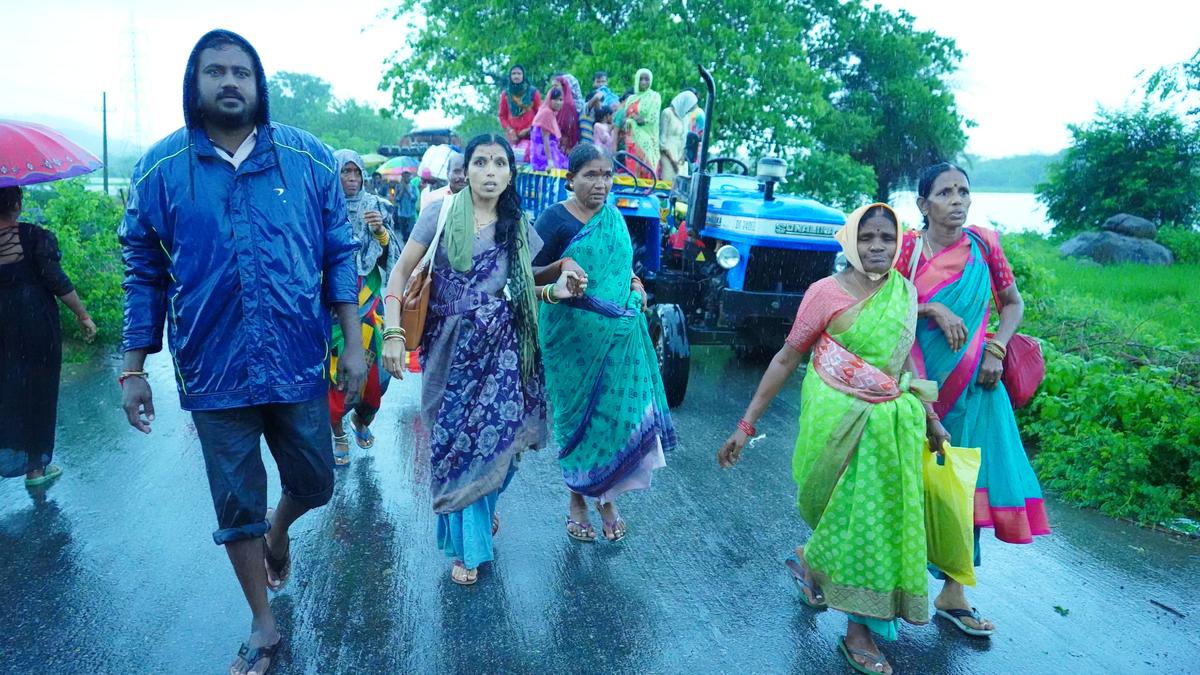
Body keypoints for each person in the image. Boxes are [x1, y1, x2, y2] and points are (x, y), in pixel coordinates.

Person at [118, 30, 365, 675]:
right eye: (215, 72)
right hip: (212, 365)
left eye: (241, 72)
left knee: (315, 480)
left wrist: (355, 342)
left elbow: (341, 251)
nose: (230, 82)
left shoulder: (308, 161)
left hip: (297, 359)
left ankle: (278, 534)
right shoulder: (160, 169)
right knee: (235, 503)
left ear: (259, 84)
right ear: (194, 84)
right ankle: (263, 623)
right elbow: (141, 268)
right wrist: (132, 364)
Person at [718, 203, 940, 675]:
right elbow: (786, 357)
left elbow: (903, 367)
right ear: (849, 242)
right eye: (866, 238)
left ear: (898, 242)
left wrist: (933, 420)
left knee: (870, 522)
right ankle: (813, 563)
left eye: (885, 237)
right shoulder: (825, 293)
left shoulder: (904, 292)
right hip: (834, 421)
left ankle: (858, 627)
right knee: (841, 512)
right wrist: (745, 425)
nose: (877, 246)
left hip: (890, 428)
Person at [380, 133, 584, 585]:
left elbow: (523, 287)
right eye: (481, 163)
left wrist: (556, 287)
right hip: (447, 353)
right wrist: (393, 331)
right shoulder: (440, 212)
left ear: (511, 173)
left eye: (499, 163)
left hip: (502, 352)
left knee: (502, 449)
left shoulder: (517, 226)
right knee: (456, 449)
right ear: (466, 170)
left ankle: (476, 532)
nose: (490, 171)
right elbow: (400, 271)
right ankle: (470, 534)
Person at [896, 162, 1051, 638]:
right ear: (924, 204)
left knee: (965, 485)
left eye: (964, 191)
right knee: (895, 479)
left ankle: (954, 591)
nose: (958, 200)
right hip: (913, 382)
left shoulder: (986, 245)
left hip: (975, 387)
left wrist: (997, 348)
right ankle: (854, 573)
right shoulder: (906, 248)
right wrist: (931, 307)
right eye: (946, 192)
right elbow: (881, 302)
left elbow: (1013, 303)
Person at [533, 144, 675, 542]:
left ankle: (607, 498)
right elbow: (527, 274)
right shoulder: (554, 219)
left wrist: (634, 282)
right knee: (577, 418)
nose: (600, 183)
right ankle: (577, 497)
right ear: (570, 180)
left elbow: (622, 262)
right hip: (570, 339)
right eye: (590, 176)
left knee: (612, 418)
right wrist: (561, 266)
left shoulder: (613, 216)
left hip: (617, 335)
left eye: (606, 175)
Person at [0, 186, 97, 490]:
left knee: (6, 390)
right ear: (16, 203)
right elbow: (57, 281)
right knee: (38, 391)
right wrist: (83, 315)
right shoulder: (33, 237)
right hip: (35, 325)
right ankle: (35, 469)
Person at [329, 149, 401, 466]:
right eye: (345, 172)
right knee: (333, 379)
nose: (352, 178)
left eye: (356, 172)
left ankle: (361, 420)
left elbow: (391, 260)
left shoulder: (375, 207)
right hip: (333, 307)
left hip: (369, 306)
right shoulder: (323, 210)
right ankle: (338, 434)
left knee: (376, 382)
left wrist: (380, 232)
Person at [619, 69, 661, 180]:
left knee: (646, 171)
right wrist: (632, 119)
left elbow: (650, 119)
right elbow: (624, 119)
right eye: (641, 79)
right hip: (630, 140)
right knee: (632, 172)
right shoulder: (631, 99)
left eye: (646, 79)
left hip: (647, 140)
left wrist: (633, 119)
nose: (643, 82)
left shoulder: (654, 97)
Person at [498, 64, 541, 163]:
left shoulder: (533, 92)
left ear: (523, 76)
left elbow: (540, 116)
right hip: (513, 138)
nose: (516, 76)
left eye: (519, 73)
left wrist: (528, 130)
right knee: (512, 161)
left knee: (527, 159)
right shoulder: (506, 94)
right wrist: (510, 130)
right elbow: (502, 116)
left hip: (531, 137)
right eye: (513, 74)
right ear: (510, 76)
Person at [530, 87, 569, 171]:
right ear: (549, 100)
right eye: (555, 100)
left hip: (542, 153)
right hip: (543, 155)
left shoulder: (549, 112)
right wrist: (550, 161)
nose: (559, 103)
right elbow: (545, 139)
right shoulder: (547, 113)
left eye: (561, 100)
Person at [579, 71, 615, 146]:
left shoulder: (595, 113)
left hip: (592, 145)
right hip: (585, 145)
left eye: (603, 81)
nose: (601, 84)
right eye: (598, 82)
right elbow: (597, 97)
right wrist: (602, 91)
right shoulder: (586, 109)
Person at [659, 93, 689, 183]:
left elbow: (684, 138)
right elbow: (662, 141)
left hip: (679, 154)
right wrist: (672, 162)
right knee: (669, 181)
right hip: (668, 153)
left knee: (681, 184)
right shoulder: (667, 113)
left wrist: (683, 155)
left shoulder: (685, 117)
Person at [555, 74, 582, 154]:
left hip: (568, 144)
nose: (554, 88)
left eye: (557, 85)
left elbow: (568, 128)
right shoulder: (560, 102)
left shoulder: (569, 105)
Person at [394, 168, 418, 241]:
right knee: (404, 235)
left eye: (408, 176)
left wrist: (407, 191)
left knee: (411, 234)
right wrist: (401, 191)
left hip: (411, 213)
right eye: (404, 176)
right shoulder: (398, 187)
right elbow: (396, 199)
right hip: (401, 213)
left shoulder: (413, 187)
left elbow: (414, 199)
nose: (406, 178)